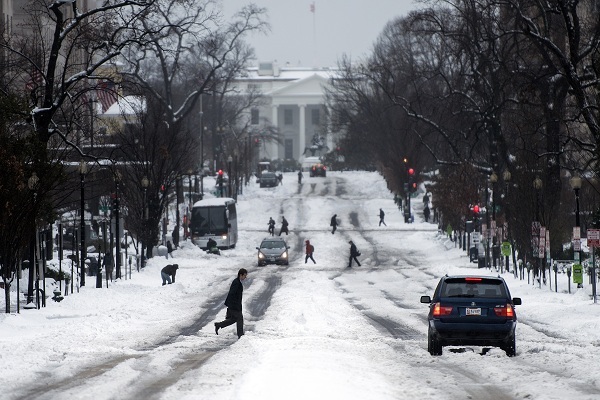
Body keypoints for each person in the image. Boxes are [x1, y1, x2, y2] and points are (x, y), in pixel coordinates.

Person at [214, 268, 248, 339]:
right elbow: (232, 294)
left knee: (233, 319)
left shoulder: (237, 282)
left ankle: (218, 325)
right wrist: (234, 305)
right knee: (239, 318)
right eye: (244, 275)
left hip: (234, 305)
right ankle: (240, 335)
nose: (245, 277)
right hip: (234, 305)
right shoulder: (236, 283)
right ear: (240, 275)